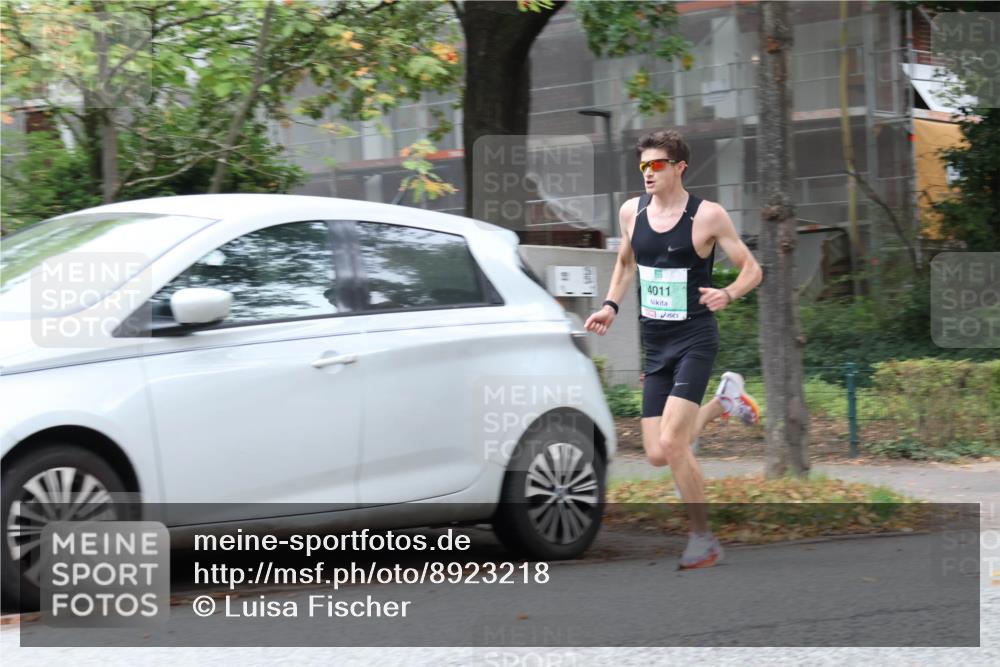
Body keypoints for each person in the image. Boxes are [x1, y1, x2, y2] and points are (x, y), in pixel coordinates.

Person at [584, 129, 763, 569]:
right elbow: (625, 263)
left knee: (673, 441)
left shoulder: (708, 216)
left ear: (679, 167)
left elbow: (752, 268)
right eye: (643, 165)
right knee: (657, 453)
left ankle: (703, 539)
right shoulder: (632, 212)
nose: (648, 172)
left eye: (657, 165)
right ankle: (724, 402)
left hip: (694, 339)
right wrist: (610, 305)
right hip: (656, 343)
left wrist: (729, 292)